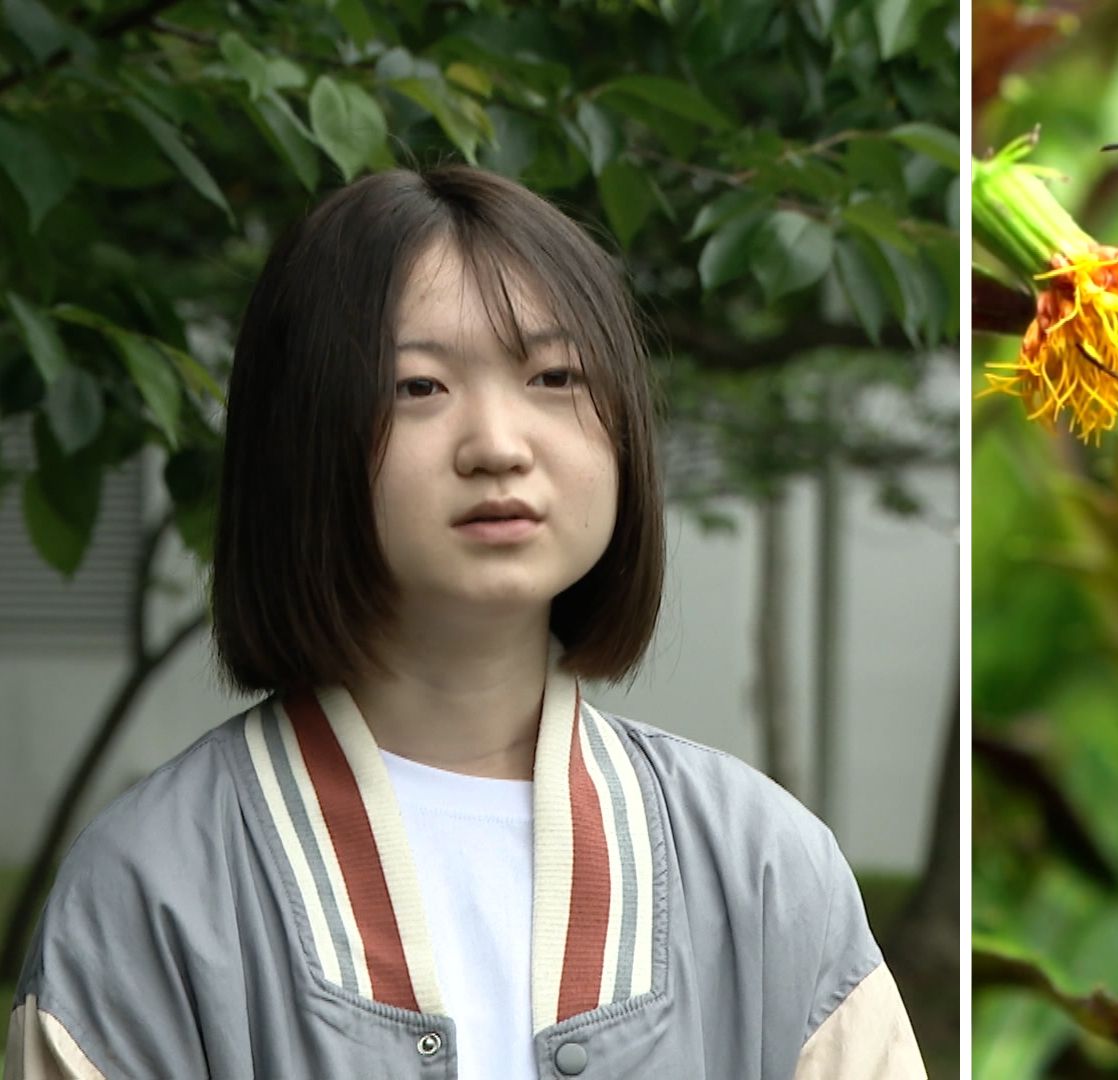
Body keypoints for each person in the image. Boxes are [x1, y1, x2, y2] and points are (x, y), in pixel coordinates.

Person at [5, 166, 924, 1079]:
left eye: (554, 375)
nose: (498, 444)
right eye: (419, 387)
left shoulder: (762, 868)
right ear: (302, 433)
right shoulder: (151, 888)